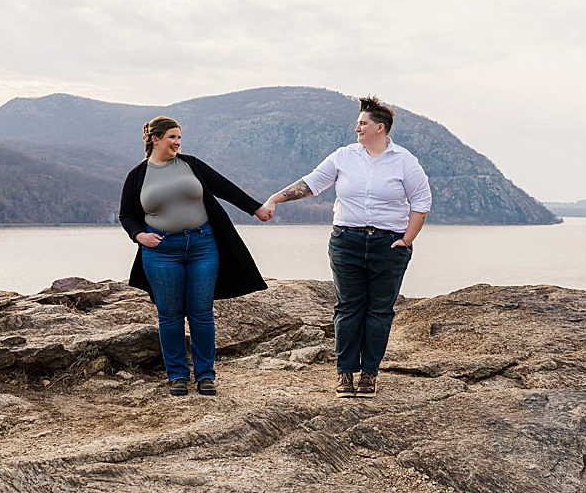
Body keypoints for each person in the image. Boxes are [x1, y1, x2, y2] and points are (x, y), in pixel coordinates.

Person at [260, 97, 432, 397]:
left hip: (387, 245)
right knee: (348, 308)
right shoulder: (343, 156)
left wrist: (406, 241)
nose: (357, 129)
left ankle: (369, 375)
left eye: (362, 124)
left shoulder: (405, 161)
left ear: (380, 128)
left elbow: (421, 203)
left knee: (379, 310)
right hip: (347, 242)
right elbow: (311, 184)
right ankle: (345, 374)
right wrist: (274, 199)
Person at [118, 117, 273, 397]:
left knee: (201, 313)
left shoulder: (191, 165)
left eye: (179, 138)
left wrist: (256, 209)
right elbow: (127, 215)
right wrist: (139, 236)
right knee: (170, 315)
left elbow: (225, 188)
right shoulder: (138, 175)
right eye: (172, 137)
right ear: (155, 139)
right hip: (161, 252)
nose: (177, 142)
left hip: (202, 246)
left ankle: (205, 376)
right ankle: (177, 375)